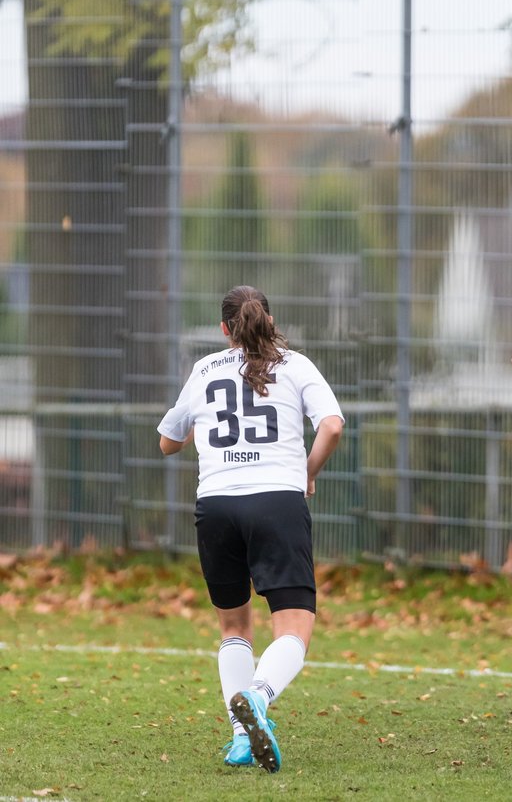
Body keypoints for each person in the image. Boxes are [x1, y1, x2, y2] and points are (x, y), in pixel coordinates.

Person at [157, 286, 344, 772]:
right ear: (269, 319)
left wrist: (204, 426)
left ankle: (242, 738)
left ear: (225, 330)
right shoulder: (296, 364)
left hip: (215, 505)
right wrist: (308, 472)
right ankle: (257, 697)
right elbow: (333, 425)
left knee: (234, 627)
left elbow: (166, 443)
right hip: (276, 502)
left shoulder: (203, 370)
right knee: (295, 623)